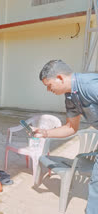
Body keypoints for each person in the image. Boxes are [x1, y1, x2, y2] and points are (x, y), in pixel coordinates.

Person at [34, 59, 98, 214]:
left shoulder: (90, 86)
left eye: (49, 85)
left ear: (60, 78)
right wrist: (45, 133)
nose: (49, 90)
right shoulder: (70, 97)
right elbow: (71, 127)